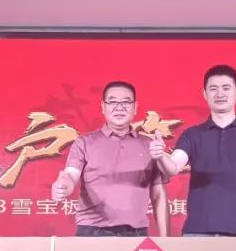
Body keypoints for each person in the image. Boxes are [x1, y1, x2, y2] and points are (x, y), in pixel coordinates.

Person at [149, 64, 236, 236]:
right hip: (197, 232)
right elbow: (173, 167)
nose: (219, 94)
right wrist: (161, 155)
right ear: (205, 94)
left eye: (226, 88)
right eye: (213, 88)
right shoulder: (192, 135)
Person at [51, 81, 169, 237]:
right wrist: (63, 186)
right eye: (112, 102)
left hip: (136, 233)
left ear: (135, 107)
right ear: (103, 107)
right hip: (92, 232)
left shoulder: (149, 145)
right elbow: (71, 176)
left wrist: (165, 239)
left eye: (126, 102)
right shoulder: (84, 142)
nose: (119, 107)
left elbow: (158, 195)